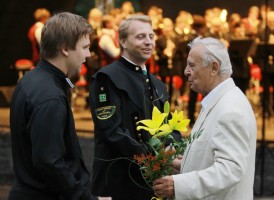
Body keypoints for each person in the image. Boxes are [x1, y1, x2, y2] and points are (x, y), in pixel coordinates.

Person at [89, 15, 181, 200]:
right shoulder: (107, 78)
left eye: (151, 36)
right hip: (119, 180)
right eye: (140, 37)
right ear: (122, 41)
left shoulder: (157, 83)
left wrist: (172, 148)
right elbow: (111, 130)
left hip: (150, 179)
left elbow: (169, 124)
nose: (148, 42)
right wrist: (152, 157)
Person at [153, 37, 257, 200]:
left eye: (192, 65)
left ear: (214, 68)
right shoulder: (219, 101)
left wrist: (179, 185)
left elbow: (230, 170)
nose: (186, 71)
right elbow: (214, 158)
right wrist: (185, 164)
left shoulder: (230, 109)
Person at [9, 12, 98, 200]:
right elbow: (49, 162)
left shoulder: (32, 80)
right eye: (84, 47)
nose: (88, 54)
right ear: (65, 48)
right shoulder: (50, 96)